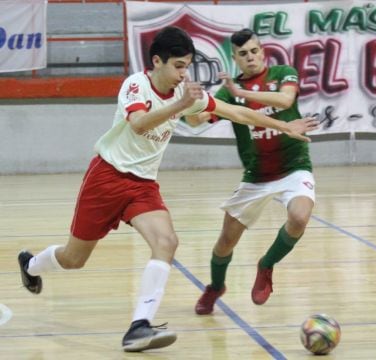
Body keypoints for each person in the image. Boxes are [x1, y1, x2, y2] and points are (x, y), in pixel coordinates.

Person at [17, 26, 318, 352]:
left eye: (187, 66)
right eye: (178, 66)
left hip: (143, 185)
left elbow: (236, 111)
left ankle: (139, 326)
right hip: (107, 177)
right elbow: (140, 123)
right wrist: (181, 106)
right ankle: (31, 265)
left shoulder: (184, 93)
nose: (183, 73)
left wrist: (282, 125)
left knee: (167, 242)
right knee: (74, 258)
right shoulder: (136, 84)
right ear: (157, 62)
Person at [193, 28, 316, 315]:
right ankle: (215, 286)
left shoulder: (283, 73)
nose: (251, 57)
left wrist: (240, 93)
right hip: (255, 176)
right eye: (243, 54)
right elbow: (198, 119)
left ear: (262, 51)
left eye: (254, 51)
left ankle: (266, 264)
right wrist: (190, 105)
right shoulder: (228, 92)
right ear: (235, 58)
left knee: (299, 217)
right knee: (225, 242)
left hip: (293, 166)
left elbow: (285, 101)